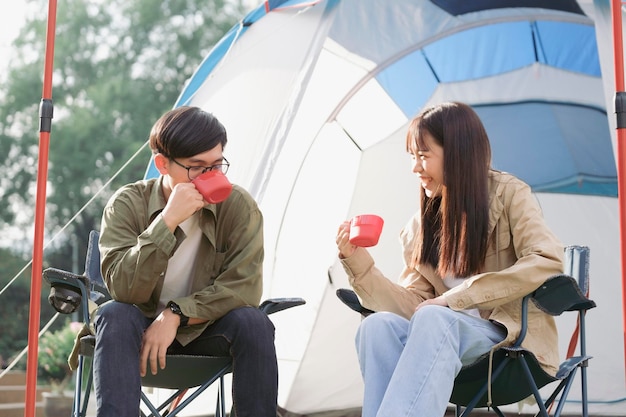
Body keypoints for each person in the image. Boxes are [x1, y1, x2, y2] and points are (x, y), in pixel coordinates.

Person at [335, 101, 564, 417]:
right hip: (443, 345)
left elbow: (546, 259)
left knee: (435, 318)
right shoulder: (419, 227)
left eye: (424, 156)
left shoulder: (510, 194)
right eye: (412, 157)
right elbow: (412, 306)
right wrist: (358, 261)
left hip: (508, 340)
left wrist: (458, 297)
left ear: (458, 155)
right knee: (377, 326)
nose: (415, 167)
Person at [95, 106, 277, 417]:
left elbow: (243, 288)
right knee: (114, 313)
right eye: (197, 167)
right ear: (162, 163)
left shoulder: (239, 207)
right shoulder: (127, 204)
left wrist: (177, 313)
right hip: (138, 332)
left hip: (204, 331)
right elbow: (123, 289)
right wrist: (166, 223)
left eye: (217, 165)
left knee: (253, 321)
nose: (211, 176)